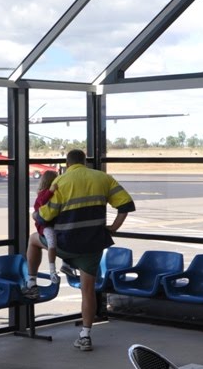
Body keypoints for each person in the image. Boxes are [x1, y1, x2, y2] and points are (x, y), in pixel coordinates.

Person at [36, 149, 135, 351]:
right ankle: (85, 335)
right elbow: (126, 205)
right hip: (92, 245)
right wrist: (113, 228)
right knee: (87, 291)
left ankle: (32, 280)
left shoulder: (62, 181)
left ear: (68, 164)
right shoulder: (103, 178)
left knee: (32, 240)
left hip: (66, 244)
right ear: (85, 162)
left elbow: (44, 217)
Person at [23, 169, 60, 300]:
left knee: (35, 240)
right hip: (47, 226)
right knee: (51, 241)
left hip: (53, 227)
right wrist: (51, 191)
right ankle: (52, 270)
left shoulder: (56, 193)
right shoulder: (45, 194)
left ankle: (32, 280)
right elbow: (42, 202)